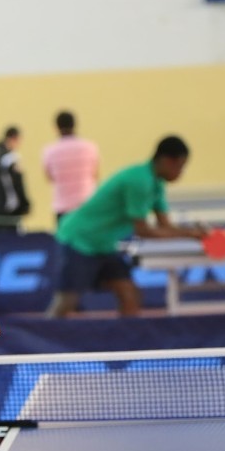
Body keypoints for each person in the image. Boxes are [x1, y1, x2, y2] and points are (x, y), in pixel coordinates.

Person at [47, 136, 209, 318]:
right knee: (67, 300)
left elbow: (165, 225)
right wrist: (191, 234)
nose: (181, 172)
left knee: (129, 294)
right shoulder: (139, 181)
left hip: (103, 245)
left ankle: (127, 336)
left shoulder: (157, 184)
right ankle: (41, 337)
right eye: (180, 166)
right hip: (79, 239)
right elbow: (143, 230)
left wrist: (196, 232)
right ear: (166, 161)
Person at [42, 110, 99, 224]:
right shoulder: (89, 148)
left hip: (62, 206)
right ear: (74, 124)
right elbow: (95, 175)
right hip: (86, 203)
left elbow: (49, 178)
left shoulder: (50, 151)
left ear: (56, 127)